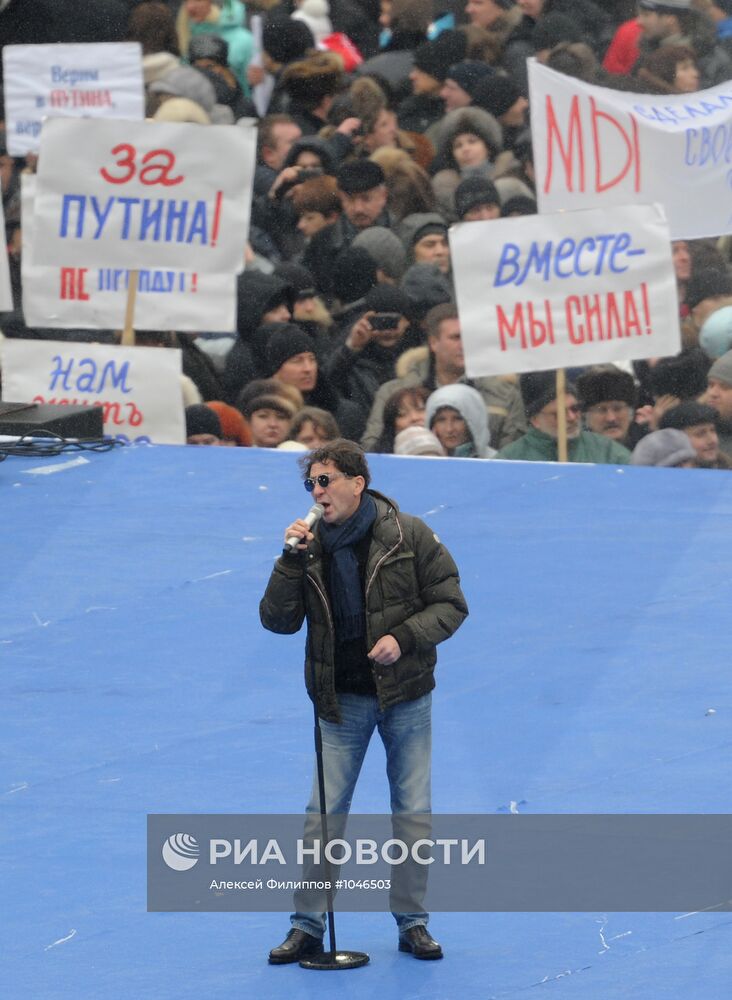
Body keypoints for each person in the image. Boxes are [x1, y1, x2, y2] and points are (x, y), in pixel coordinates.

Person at [260, 439, 468, 963]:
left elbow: (451, 603)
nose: (317, 492)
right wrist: (288, 562)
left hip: (404, 694)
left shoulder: (409, 534)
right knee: (323, 815)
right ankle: (307, 925)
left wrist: (404, 638)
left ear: (358, 482)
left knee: (412, 813)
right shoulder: (306, 549)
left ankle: (413, 922)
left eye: (326, 480)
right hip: (341, 699)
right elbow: (277, 621)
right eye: (311, 483)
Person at [496, 371, 632, 463]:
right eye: (560, 414)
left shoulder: (608, 452)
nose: (572, 417)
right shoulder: (511, 460)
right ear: (535, 420)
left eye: (575, 408)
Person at [659, 401, 732, 468]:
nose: (712, 440)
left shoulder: (727, 469)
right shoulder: (657, 476)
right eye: (700, 434)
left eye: (712, 431)